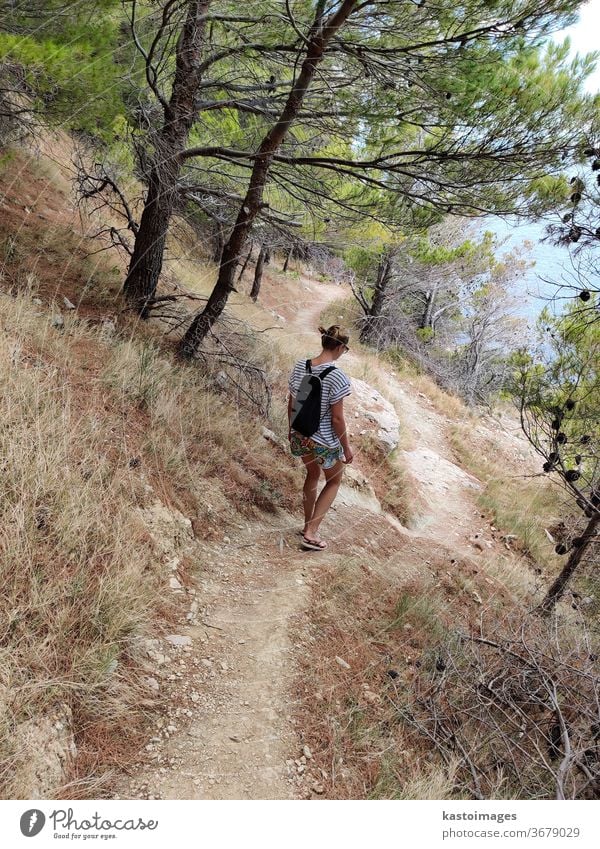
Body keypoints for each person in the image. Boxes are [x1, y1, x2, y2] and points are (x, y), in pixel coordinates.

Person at [287, 325, 353, 551]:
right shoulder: (337, 377)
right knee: (334, 480)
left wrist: (291, 430)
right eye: (346, 349)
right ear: (340, 347)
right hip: (324, 442)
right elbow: (337, 419)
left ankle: (307, 525)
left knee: (312, 474)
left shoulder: (300, 366)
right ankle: (311, 532)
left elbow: (292, 402)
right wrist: (346, 448)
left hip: (300, 435)